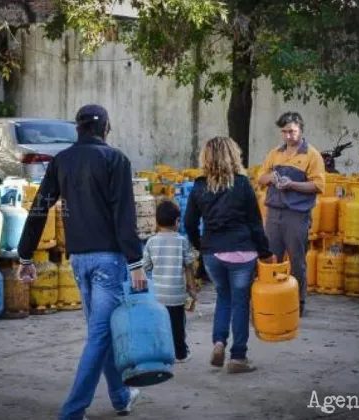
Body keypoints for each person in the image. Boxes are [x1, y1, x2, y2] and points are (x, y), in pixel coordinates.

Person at [16, 104, 147, 420]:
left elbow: (39, 209)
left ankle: (120, 397)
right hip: (109, 262)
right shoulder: (116, 160)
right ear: (105, 129)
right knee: (100, 336)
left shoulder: (62, 161)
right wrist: (136, 262)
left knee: (101, 335)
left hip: (78, 261)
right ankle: (72, 412)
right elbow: (123, 214)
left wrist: (25, 256)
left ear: (78, 129)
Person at [184, 136, 272, 374]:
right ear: (233, 156)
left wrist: (200, 245)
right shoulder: (242, 184)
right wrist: (265, 253)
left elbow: (189, 222)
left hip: (213, 252)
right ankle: (238, 357)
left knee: (223, 298)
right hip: (242, 251)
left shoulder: (199, 185)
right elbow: (255, 223)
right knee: (240, 303)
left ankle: (219, 342)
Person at [257, 111, 326, 318]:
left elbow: (319, 185)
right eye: (285, 132)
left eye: (293, 131)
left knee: (297, 260)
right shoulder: (275, 153)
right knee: (271, 258)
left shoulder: (311, 155)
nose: (288, 136)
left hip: (297, 214)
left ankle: (298, 302)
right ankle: (272, 298)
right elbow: (260, 177)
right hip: (274, 213)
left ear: (301, 130)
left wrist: (292, 184)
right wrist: (271, 178)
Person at [143, 199, 197, 363]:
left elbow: (146, 267)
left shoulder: (151, 242)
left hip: (158, 294)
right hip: (177, 294)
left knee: (160, 325)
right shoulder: (182, 241)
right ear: (176, 221)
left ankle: (160, 353)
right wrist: (192, 288)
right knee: (178, 326)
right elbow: (188, 267)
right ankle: (180, 354)